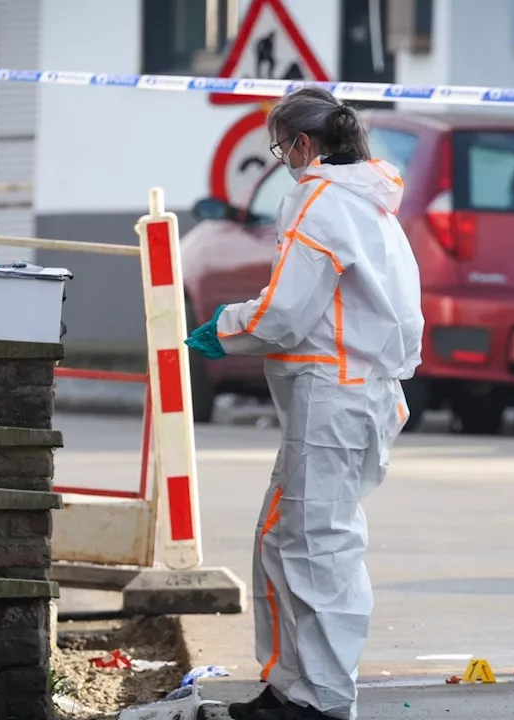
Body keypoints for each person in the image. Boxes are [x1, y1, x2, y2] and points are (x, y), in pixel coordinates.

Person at [185, 86, 424, 720]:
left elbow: (286, 312)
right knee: (289, 542)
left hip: (331, 398)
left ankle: (316, 701)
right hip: (354, 396)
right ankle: (292, 688)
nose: (284, 159)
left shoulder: (319, 200)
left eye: (281, 147)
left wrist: (227, 326)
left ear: (304, 144)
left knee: (316, 551)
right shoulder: (372, 205)